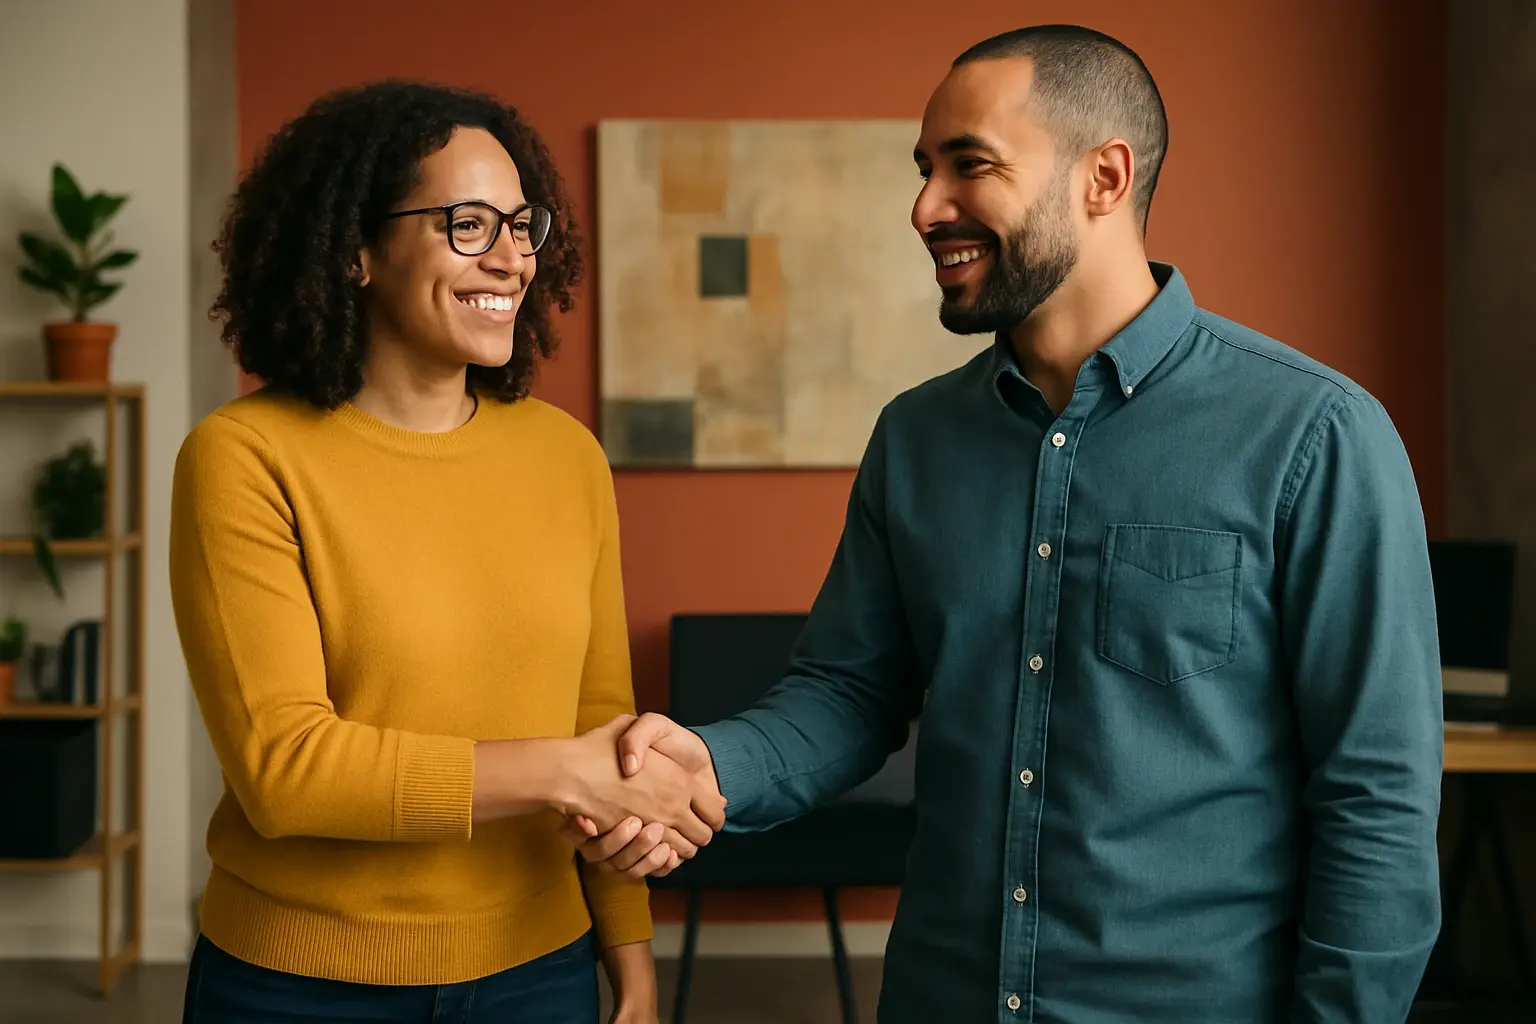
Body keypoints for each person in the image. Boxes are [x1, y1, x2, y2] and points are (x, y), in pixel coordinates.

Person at [566, 24, 1444, 1024]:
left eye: (969, 165)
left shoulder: (1313, 435)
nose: (926, 206)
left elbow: (1375, 798)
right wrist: (710, 765)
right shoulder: (916, 437)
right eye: (924, 168)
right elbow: (851, 692)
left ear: (1103, 177)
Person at [169, 81, 723, 1024]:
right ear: (355, 248)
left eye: (520, 224)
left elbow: (602, 720)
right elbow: (284, 769)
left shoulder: (565, 456)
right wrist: (560, 769)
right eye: (467, 224)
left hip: (542, 973)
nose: (510, 258)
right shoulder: (244, 457)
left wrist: (630, 960)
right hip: (297, 986)